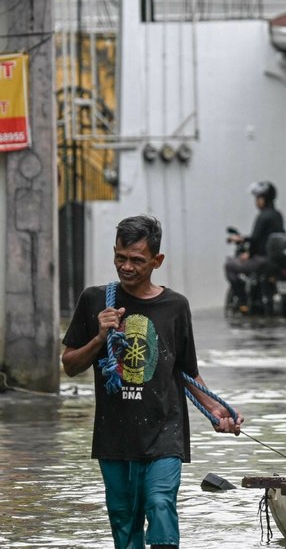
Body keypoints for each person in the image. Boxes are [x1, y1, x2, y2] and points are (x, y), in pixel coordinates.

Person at [62, 215, 242, 549]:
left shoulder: (175, 306)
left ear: (157, 261)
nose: (126, 267)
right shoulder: (95, 300)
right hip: (114, 435)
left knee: (160, 504)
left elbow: (187, 372)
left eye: (136, 260)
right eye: (120, 257)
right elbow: (70, 366)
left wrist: (219, 413)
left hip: (164, 432)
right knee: (123, 520)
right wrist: (100, 337)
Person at [224, 180, 286, 307]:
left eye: (258, 198)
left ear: (263, 199)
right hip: (276, 261)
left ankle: (243, 301)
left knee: (229, 266)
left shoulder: (263, 216)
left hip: (262, 260)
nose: (256, 201)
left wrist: (249, 254)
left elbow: (256, 239)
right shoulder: (277, 215)